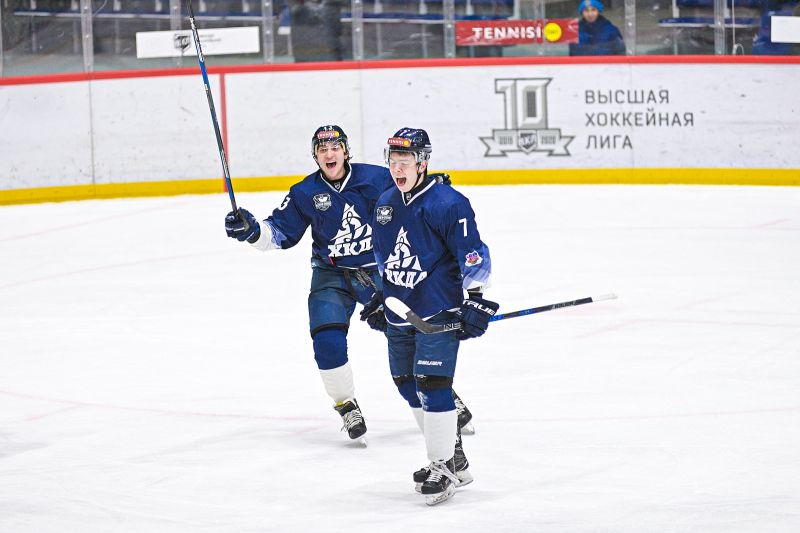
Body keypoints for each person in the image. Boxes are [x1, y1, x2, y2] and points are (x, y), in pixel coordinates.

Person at [224, 125, 475, 443]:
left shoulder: (377, 179)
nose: (329, 154)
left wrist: (431, 189)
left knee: (409, 333)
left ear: (345, 151)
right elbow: (278, 233)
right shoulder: (304, 192)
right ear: (315, 155)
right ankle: (346, 405)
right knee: (326, 341)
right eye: (322, 149)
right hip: (332, 275)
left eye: (335, 148)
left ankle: (440, 394)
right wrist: (251, 230)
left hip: (378, 272)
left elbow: (411, 195)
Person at [364, 128, 498, 505]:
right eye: (393, 161)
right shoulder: (386, 203)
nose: (397, 168)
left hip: (438, 307)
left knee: (432, 383)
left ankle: (442, 465)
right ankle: (454, 457)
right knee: (406, 382)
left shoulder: (448, 202)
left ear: (423, 162)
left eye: (405, 161)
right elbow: (384, 256)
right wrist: (380, 295)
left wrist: (476, 299)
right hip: (400, 310)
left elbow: (471, 252)